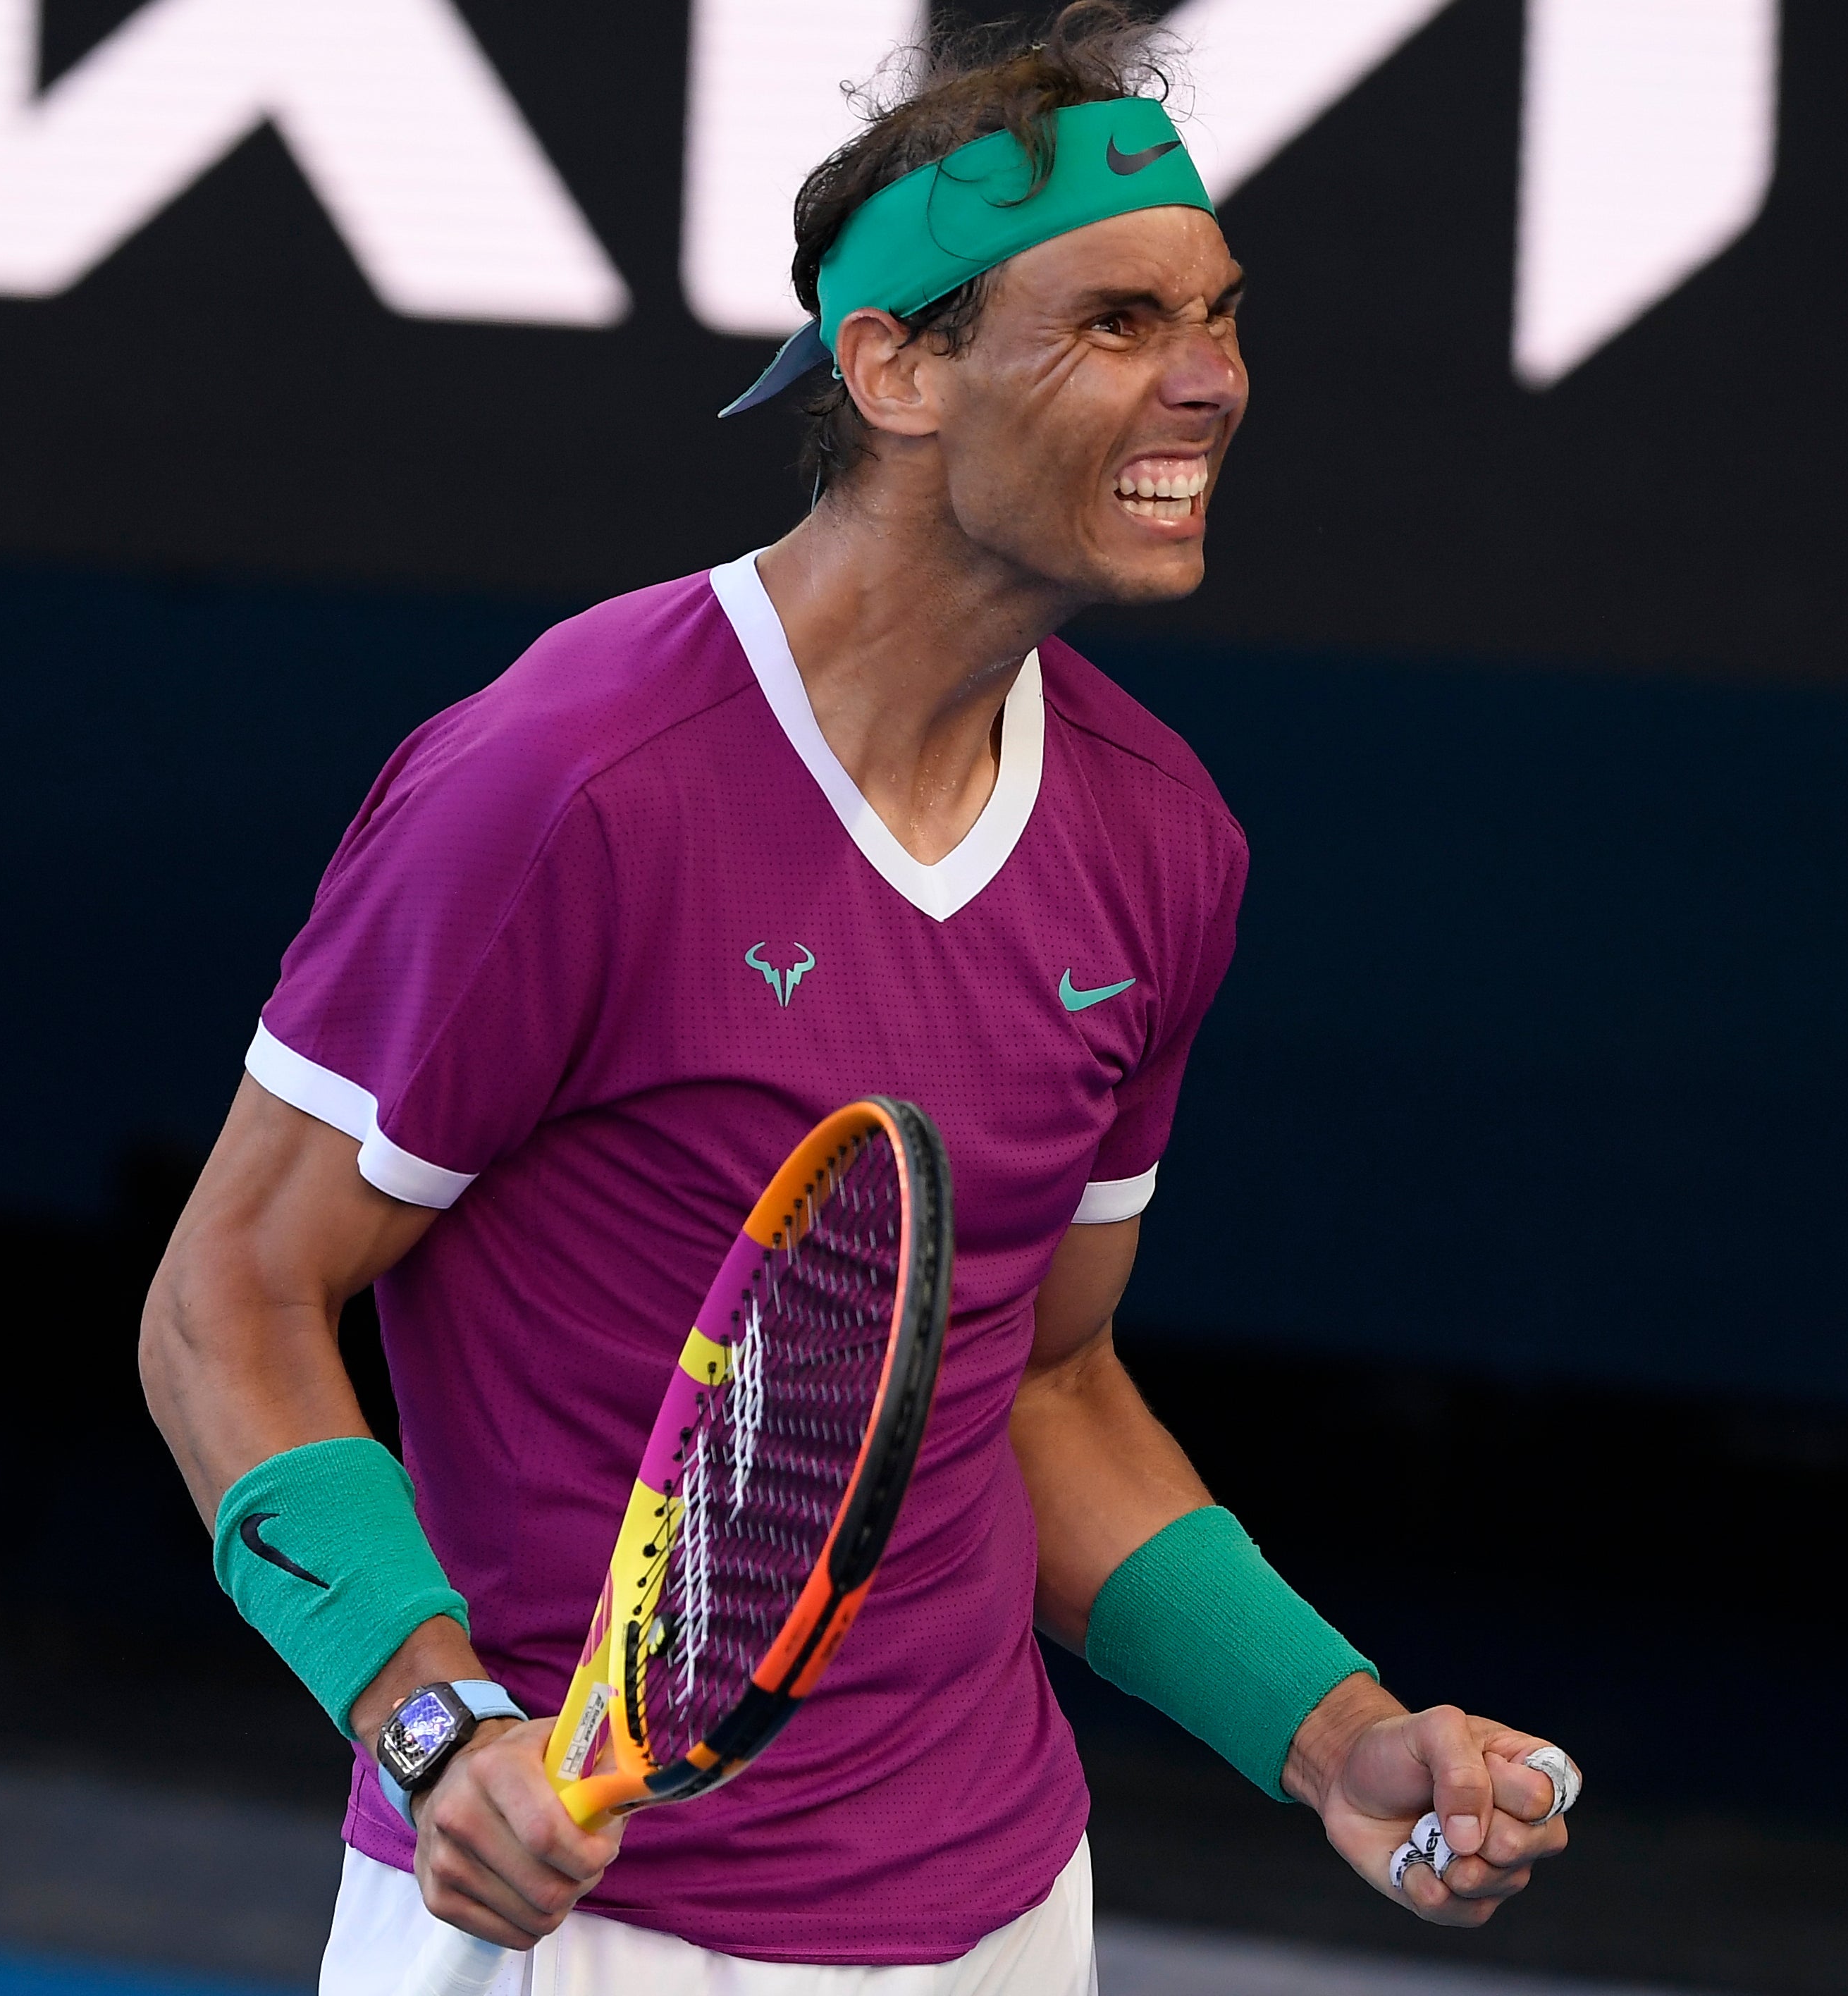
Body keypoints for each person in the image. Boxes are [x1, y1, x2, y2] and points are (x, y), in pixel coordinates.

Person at [140, 11, 1575, 1992]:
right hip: (595, 1926)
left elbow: (1033, 1382)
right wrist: (421, 1711)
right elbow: (232, 1293)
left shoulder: (1161, 845)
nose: (1212, 383)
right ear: (896, 367)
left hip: (998, 1907)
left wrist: (1334, 1735)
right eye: (1118, 323)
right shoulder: (567, 784)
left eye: (1221, 316)